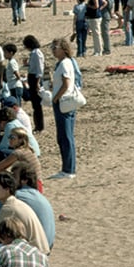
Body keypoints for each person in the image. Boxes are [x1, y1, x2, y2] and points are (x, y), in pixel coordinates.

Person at [0, 173, 50, 261]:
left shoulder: (8, 208)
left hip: (33, 251)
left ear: (7, 189)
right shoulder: (16, 203)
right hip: (40, 249)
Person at [49, 37, 80, 180]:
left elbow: (66, 84)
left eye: (55, 48)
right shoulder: (62, 63)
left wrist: (56, 97)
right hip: (63, 101)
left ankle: (69, 169)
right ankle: (67, 168)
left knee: (65, 136)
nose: (53, 51)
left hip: (63, 102)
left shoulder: (65, 63)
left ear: (63, 48)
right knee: (63, 136)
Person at [0, 126, 40, 196]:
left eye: (12, 138)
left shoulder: (18, 153)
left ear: (20, 140)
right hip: (36, 184)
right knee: (2, 173)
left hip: (30, 186)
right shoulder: (27, 150)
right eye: (9, 137)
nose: (10, 139)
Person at [23, 35, 45, 133]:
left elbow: (39, 69)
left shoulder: (37, 53)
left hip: (35, 78)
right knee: (34, 104)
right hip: (32, 77)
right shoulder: (33, 53)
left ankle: (39, 126)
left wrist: (37, 82)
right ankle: (37, 125)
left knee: (37, 104)